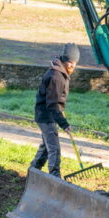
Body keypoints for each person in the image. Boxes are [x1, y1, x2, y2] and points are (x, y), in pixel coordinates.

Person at [31, 43, 80, 178]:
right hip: (46, 116)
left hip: (46, 114)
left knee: (46, 148)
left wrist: (60, 112)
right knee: (54, 149)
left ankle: (33, 172)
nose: (73, 67)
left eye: (74, 64)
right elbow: (52, 105)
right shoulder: (56, 77)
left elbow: (56, 100)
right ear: (67, 62)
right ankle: (55, 178)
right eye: (72, 64)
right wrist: (64, 124)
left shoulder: (59, 72)